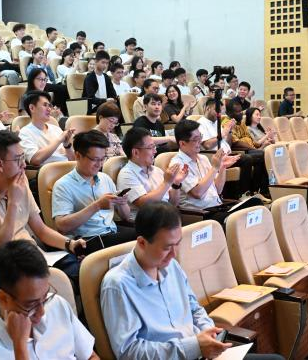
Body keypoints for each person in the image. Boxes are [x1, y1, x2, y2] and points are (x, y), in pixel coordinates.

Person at [100, 202, 284, 360]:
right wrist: (194, 347)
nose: (174, 254)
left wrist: (208, 333)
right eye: (167, 247)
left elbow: (194, 308)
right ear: (142, 243)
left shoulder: (171, 266)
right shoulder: (118, 285)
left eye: (177, 243)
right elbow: (129, 352)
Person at [0, 130, 84, 290]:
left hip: (36, 255)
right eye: (18, 159)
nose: (24, 165)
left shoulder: (20, 180)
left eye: (23, 157)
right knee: (68, 283)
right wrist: (13, 202)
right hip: (12, 267)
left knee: (84, 272)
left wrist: (69, 244)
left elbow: (41, 230)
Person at [0, 240, 97, 360]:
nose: (42, 312)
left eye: (45, 297)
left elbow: (90, 356)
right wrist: (20, 347)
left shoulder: (57, 304)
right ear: (4, 299)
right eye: (31, 304)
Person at [51, 131, 136, 254]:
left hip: (111, 232)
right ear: (78, 156)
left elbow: (126, 217)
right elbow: (62, 226)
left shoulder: (105, 178)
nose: (99, 164)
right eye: (95, 159)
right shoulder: (63, 185)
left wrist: (122, 203)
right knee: (143, 238)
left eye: (102, 159)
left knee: (147, 233)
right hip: (86, 240)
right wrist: (97, 206)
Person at [172, 119, 240, 210]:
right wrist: (214, 168)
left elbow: (218, 189)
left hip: (217, 206)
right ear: (182, 143)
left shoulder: (203, 158)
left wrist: (222, 166)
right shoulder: (177, 164)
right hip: (201, 213)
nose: (200, 141)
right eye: (195, 139)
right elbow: (198, 193)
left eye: (200, 137)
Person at [118, 127, 186, 218]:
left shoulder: (157, 170)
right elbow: (145, 205)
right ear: (135, 152)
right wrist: (166, 183)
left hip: (165, 218)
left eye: (154, 146)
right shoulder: (127, 174)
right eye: (150, 147)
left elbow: (173, 203)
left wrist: (176, 184)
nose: (155, 151)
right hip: (147, 222)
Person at [19, 91, 77, 166]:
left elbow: (73, 160)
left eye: (49, 106)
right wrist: (59, 140)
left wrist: (67, 145)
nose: (49, 109)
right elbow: (35, 160)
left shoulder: (56, 129)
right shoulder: (25, 133)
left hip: (69, 169)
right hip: (50, 171)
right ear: (32, 108)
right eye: (45, 105)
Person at [25, 49, 72, 116]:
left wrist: (48, 67)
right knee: (61, 88)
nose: (42, 56)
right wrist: (43, 66)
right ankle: (61, 109)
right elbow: (32, 76)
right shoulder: (31, 67)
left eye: (43, 54)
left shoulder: (44, 65)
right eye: (40, 54)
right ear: (33, 55)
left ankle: (62, 111)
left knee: (64, 88)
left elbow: (52, 78)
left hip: (50, 83)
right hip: (47, 85)